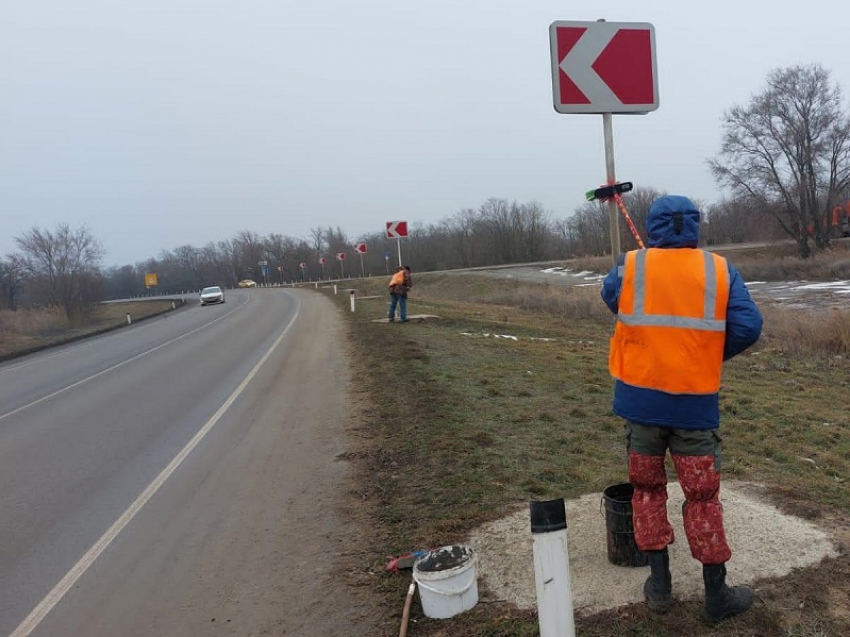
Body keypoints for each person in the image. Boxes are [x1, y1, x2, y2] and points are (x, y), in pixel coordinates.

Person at [600, 195, 763, 624]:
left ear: (653, 228)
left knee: (647, 493)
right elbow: (748, 327)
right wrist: (701, 355)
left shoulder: (629, 265)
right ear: (694, 227)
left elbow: (611, 298)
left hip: (641, 404)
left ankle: (659, 588)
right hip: (694, 407)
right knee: (703, 498)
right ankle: (716, 597)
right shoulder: (720, 269)